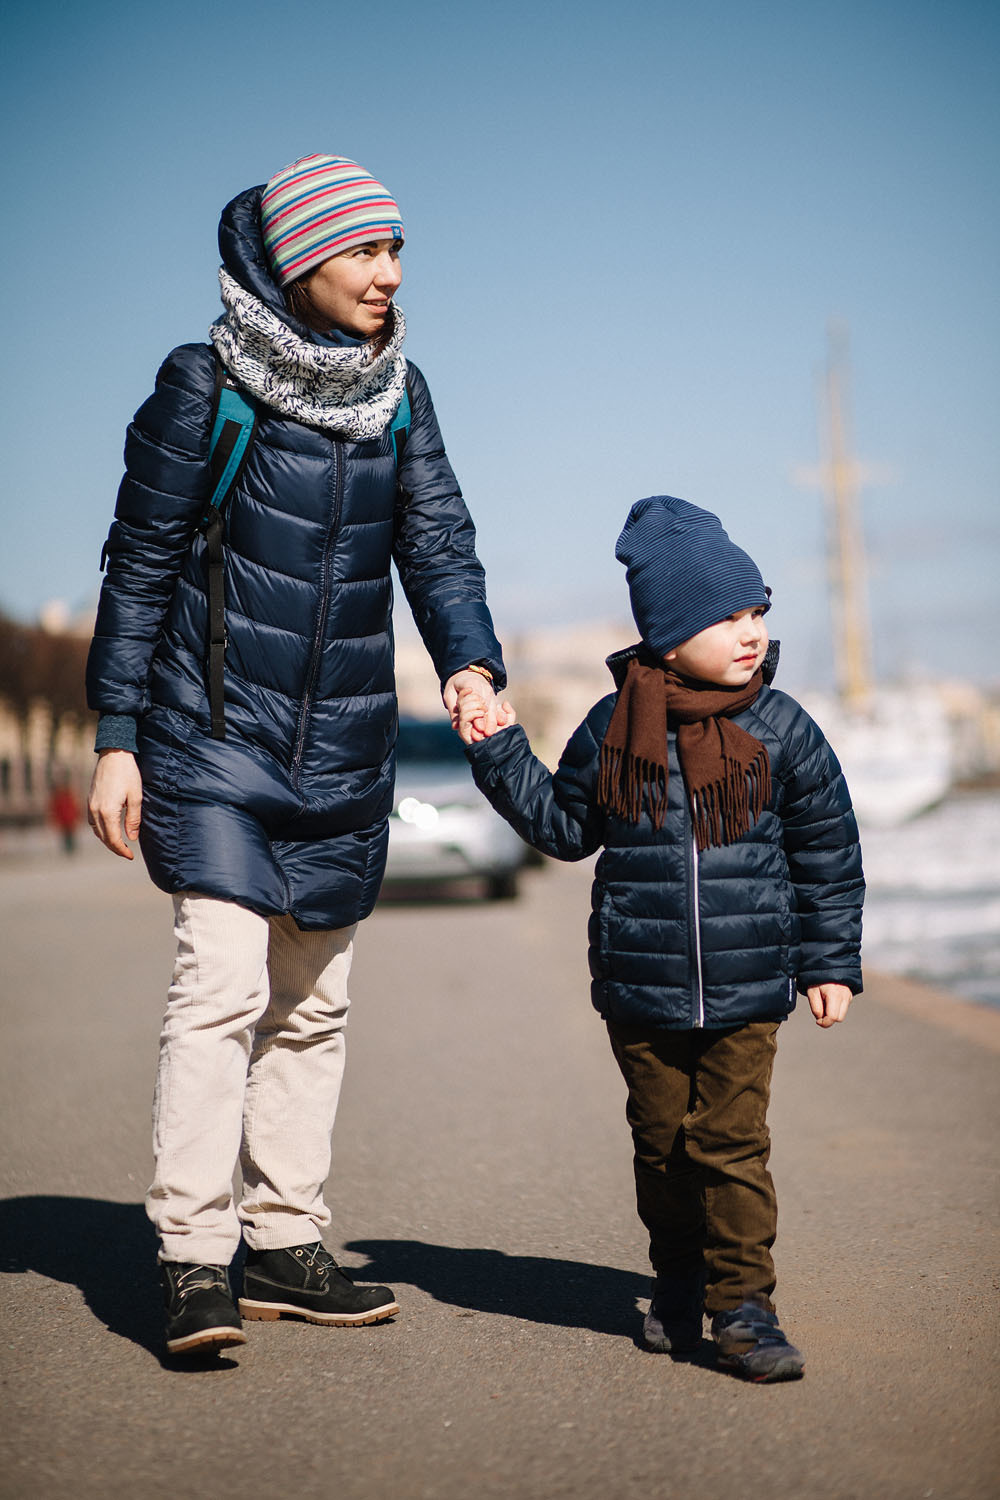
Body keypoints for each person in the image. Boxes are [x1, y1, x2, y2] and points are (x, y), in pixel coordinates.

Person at [86, 154, 511, 1357]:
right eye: (362, 252)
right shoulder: (202, 383)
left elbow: (438, 544)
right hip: (211, 735)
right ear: (295, 262)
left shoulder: (400, 394)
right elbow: (140, 563)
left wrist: (469, 660)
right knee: (218, 990)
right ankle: (191, 1256)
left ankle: (285, 1238)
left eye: (396, 254)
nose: (386, 275)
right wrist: (118, 738)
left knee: (312, 1005)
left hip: (342, 744)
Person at [459, 495, 864, 1382]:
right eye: (726, 617)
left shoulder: (782, 726)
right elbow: (566, 828)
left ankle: (745, 1306)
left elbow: (827, 850)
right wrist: (499, 751)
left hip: (751, 982)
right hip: (642, 984)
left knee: (731, 1143)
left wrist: (831, 962)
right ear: (668, 635)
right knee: (662, 1143)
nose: (751, 631)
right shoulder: (613, 727)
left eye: (757, 610)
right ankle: (677, 1281)